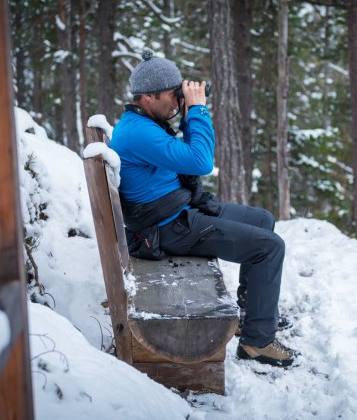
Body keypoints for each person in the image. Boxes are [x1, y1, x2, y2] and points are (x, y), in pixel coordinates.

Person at [110, 49, 298, 367]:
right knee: (269, 248)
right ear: (148, 97)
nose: (177, 100)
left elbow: (189, 159)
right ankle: (258, 343)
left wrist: (188, 111)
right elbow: (201, 161)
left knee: (262, 220)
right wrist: (196, 111)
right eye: (173, 94)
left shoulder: (143, 123)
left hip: (177, 213)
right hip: (166, 228)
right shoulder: (139, 132)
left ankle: (252, 318)